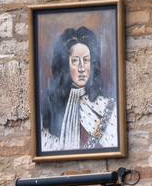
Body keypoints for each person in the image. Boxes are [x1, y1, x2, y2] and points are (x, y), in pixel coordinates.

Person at [40, 25, 118, 154]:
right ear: (65, 65)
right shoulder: (51, 106)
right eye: (75, 61)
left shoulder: (106, 106)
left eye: (86, 60)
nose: (82, 67)